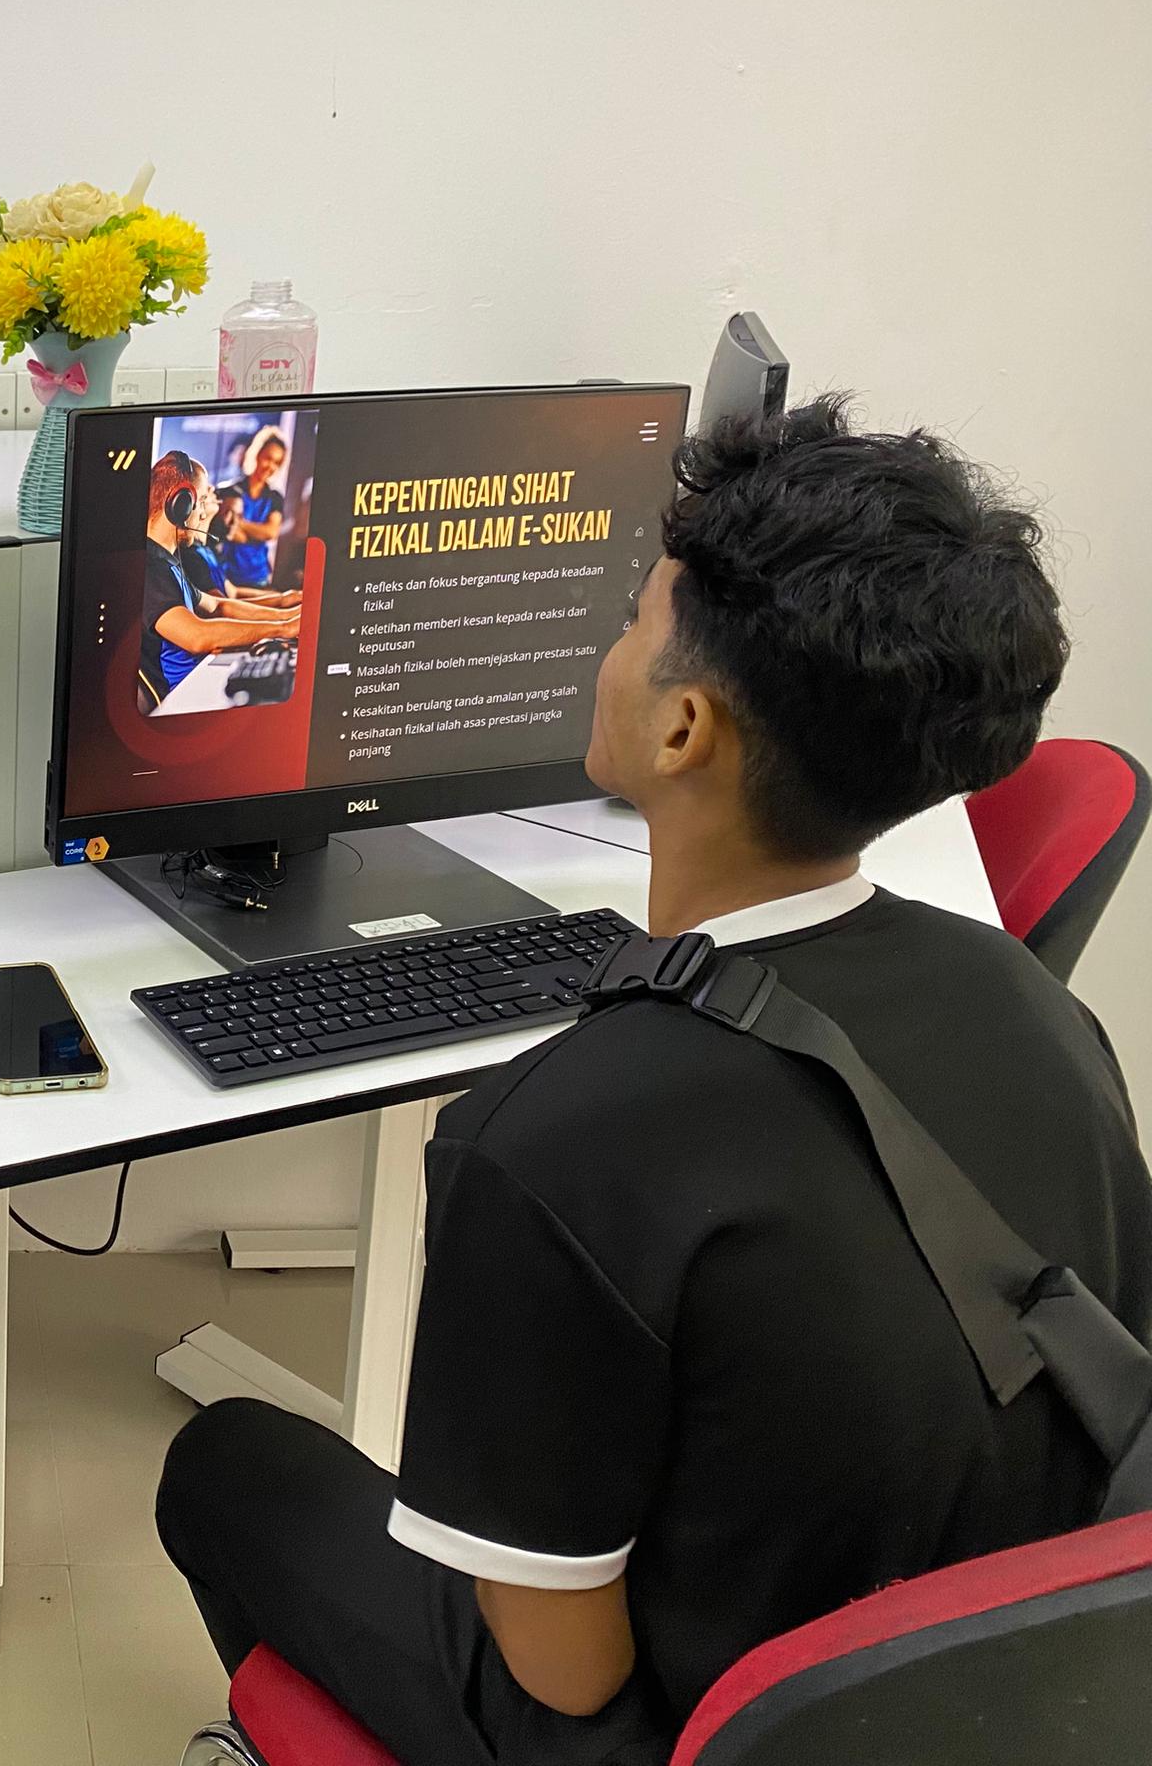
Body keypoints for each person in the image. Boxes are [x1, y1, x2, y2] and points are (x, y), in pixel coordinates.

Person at [156, 400, 1150, 1765]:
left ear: (684, 728)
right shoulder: (1037, 1003)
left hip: (699, 1734)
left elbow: (562, 1674)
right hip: (995, 1693)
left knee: (229, 1467)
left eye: (631, 621)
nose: (609, 650)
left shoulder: (550, 1141)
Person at [142, 451, 306, 709]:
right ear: (181, 504)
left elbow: (219, 606)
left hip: (199, 678)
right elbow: (196, 635)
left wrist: (290, 616)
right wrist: (283, 628)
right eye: (202, 502)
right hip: (181, 697)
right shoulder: (151, 568)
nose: (203, 515)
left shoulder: (170, 562)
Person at [220, 427, 291, 587]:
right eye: (268, 458)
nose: (270, 466)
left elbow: (271, 532)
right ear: (257, 454)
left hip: (259, 578)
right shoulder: (230, 490)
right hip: (228, 577)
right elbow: (231, 532)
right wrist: (257, 533)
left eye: (277, 463)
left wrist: (240, 523)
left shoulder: (275, 498)